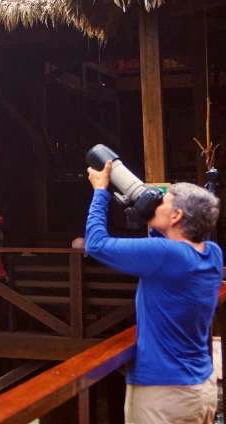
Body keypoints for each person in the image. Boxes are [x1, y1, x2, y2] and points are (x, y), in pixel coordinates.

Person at [85, 161, 223, 424]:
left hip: (163, 394)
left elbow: (96, 245)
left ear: (176, 216)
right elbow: (165, 243)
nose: (155, 203)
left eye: (162, 201)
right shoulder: (212, 254)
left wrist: (101, 191)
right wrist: (145, 206)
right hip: (200, 388)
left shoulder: (166, 256)